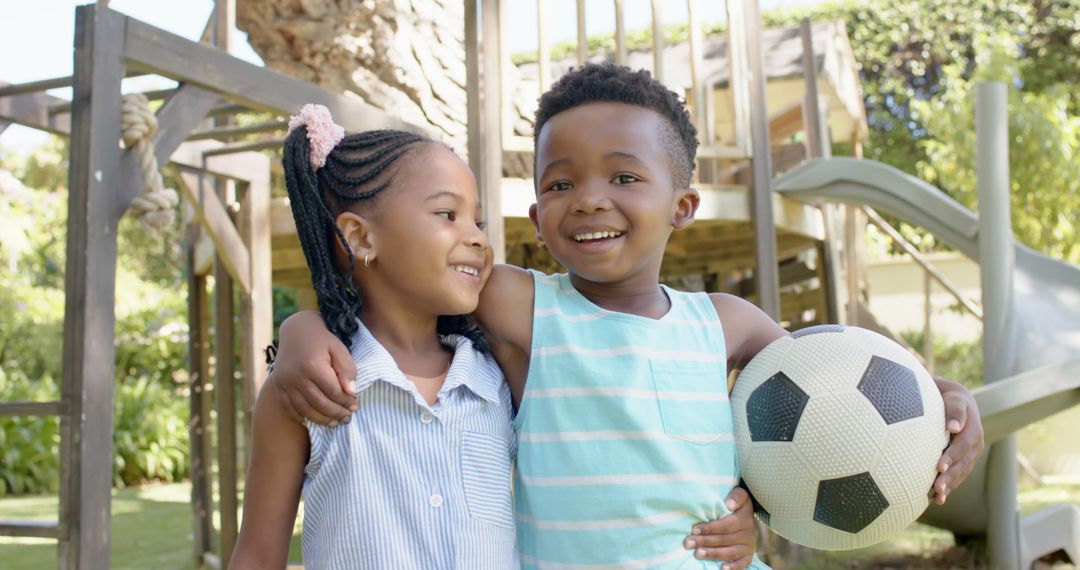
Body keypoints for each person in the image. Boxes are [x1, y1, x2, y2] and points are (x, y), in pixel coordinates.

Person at [270, 64, 984, 569]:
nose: (588, 198)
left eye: (623, 176)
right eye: (560, 182)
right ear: (538, 216)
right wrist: (300, 331)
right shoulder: (520, 304)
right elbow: (396, 281)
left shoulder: (726, 324)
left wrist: (941, 399)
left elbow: (838, 381)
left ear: (682, 206)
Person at [229, 105, 517, 568]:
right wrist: (297, 329)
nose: (478, 238)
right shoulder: (308, 391)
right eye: (447, 214)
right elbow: (258, 556)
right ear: (360, 238)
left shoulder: (499, 378)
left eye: (477, 222)